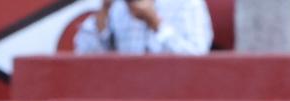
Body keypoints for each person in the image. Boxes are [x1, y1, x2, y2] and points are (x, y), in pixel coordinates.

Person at [72, 0, 213, 56]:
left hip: (175, 97)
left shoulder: (186, 4)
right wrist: (104, 10)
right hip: (125, 97)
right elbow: (85, 57)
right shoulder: (116, 7)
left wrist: (157, 25)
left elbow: (198, 61)